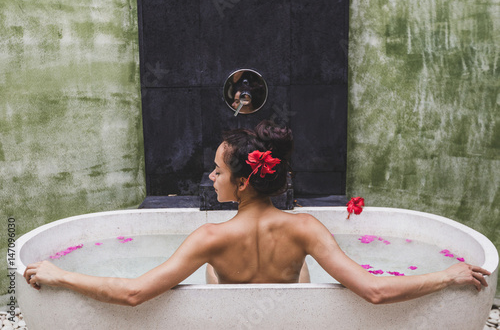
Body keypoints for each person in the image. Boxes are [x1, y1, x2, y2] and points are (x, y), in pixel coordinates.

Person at [24, 120, 490, 306]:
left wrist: (60, 274)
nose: (211, 177)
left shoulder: (209, 238)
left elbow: (134, 293)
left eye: (218, 170)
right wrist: (446, 275)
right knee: (301, 269)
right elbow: (373, 290)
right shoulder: (306, 227)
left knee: (212, 275)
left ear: (243, 181)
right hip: (285, 308)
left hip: (232, 309)